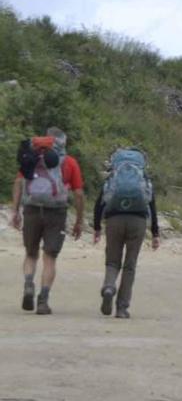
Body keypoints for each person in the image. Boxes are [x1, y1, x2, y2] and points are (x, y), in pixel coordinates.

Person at [11, 127, 85, 315]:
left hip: (32, 209)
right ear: (63, 142)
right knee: (49, 257)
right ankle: (43, 301)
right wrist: (79, 220)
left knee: (30, 253)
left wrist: (15, 211)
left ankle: (29, 283)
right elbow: (78, 193)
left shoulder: (32, 156)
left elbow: (19, 183)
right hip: (56, 213)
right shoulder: (69, 162)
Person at [92, 148, 159, 319]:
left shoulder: (113, 176)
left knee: (113, 261)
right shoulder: (143, 177)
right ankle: (121, 308)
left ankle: (108, 287)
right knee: (130, 266)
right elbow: (151, 205)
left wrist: (97, 227)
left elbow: (99, 203)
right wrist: (155, 233)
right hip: (138, 222)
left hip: (114, 220)